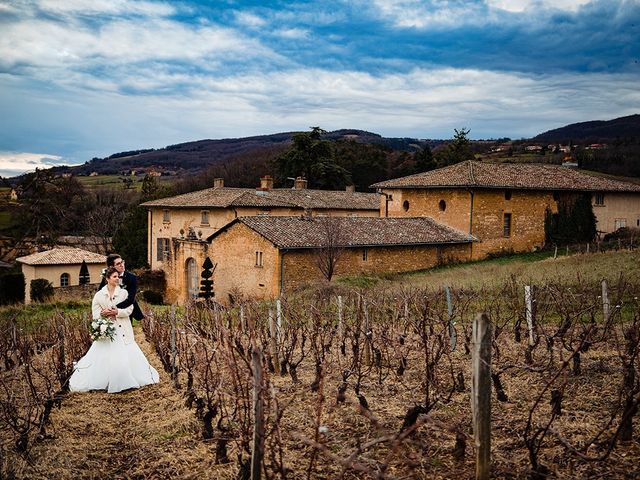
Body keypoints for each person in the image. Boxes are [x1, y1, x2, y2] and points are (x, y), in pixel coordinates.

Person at [69, 266, 159, 393]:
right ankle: (103, 380)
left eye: (118, 277)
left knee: (125, 354)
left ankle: (125, 379)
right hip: (107, 328)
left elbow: (129, 309)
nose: (118, 279)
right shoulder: (99, 295)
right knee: (103, 355)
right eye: (115, 277)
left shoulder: (124, 293)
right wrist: (104, 315)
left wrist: (117, 312)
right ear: (107, 279)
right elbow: (95, 312)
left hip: (122, 329)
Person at [98, 253, 144, 322]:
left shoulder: (132, 278)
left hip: (125, 311)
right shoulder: (107, 277)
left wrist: (114, 309)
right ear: (112, 266)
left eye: (122, 262)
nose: (122, 265)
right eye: (118, 264)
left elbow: (131, 299)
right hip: (109, 313)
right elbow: (100, 294)